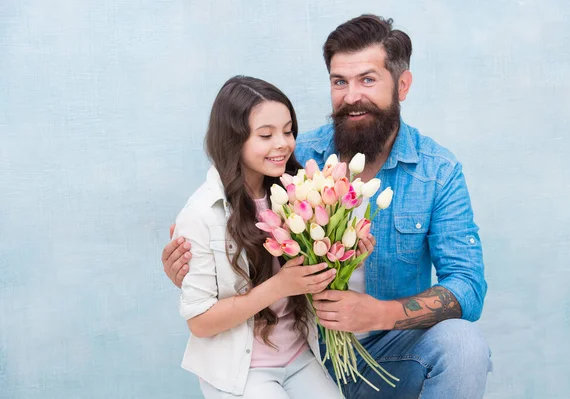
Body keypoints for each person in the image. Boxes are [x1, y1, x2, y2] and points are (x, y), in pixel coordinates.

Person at [163, 15, 492, 399]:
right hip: (306, 356)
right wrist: (194, 268)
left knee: (464, 345)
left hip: (389, 358)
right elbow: (229, 214)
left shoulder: (438, 172)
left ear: (402, 85)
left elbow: (468, 287)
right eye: (340, 82)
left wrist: (380, 314)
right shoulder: (292, 157)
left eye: (368, 80)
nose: (352, 96)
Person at [173, 75, 354, 398]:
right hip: (241, 371)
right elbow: (200, 322)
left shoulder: (299, 192)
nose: (282, 143)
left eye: (287, 131)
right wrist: (280, 285)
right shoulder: (203, 213)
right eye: (266, 135)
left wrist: (349, 249)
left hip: (298, 356)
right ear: (233, 140)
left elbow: (315, 275)